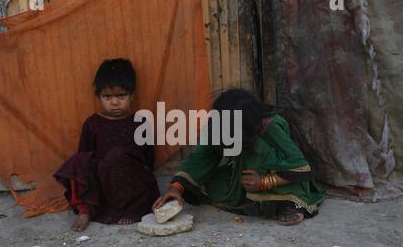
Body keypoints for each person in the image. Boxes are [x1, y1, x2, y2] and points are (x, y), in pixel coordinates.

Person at [153, 88, 326, 226]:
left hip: (279, 177)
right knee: (208, 184)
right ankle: (250, 197)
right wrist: (176, 188)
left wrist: (264, 182)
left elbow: (300, 166)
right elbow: (202, 155)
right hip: (243, 177)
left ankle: (292, 205)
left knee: (282, 190)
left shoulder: (269, 126)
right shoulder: (220, 124)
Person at [54, 59, 160, 232]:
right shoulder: (93, 123)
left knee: (119, 156)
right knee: (78, 162)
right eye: (107, 97)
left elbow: (149, 160)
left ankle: (131, 209)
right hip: (103, 182)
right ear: (99, 97)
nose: (115, 102)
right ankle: (86, 210)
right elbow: (85, 157)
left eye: (121, 96)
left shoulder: (140, 122)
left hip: (132, 182)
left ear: (132, 95)